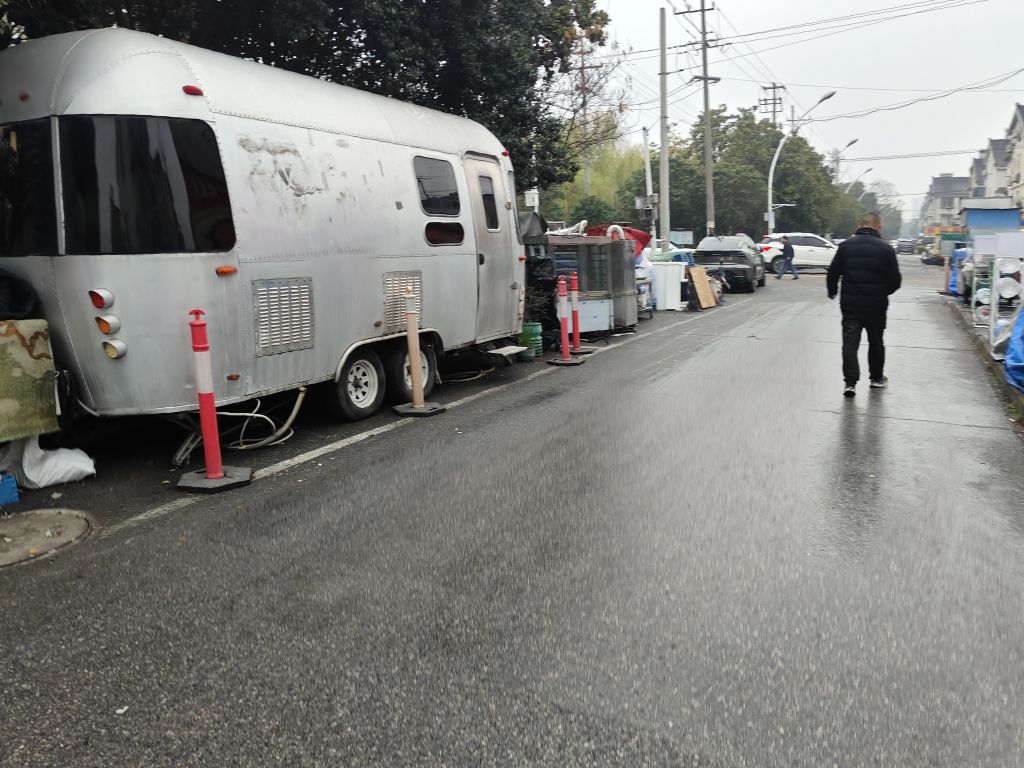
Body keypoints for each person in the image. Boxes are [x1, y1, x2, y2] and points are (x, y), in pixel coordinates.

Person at [826, 212, 902, 397]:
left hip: (851, 305)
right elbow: (895, 280)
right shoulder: (886, 249)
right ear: (878, 226)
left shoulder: (846, 246)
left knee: (850, 342)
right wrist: (883, 292)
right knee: (876, 341)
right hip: (876, 305)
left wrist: (832, 291)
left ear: (861, 226)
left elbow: (833, 272)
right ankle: (876, 378)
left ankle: (850, 383)